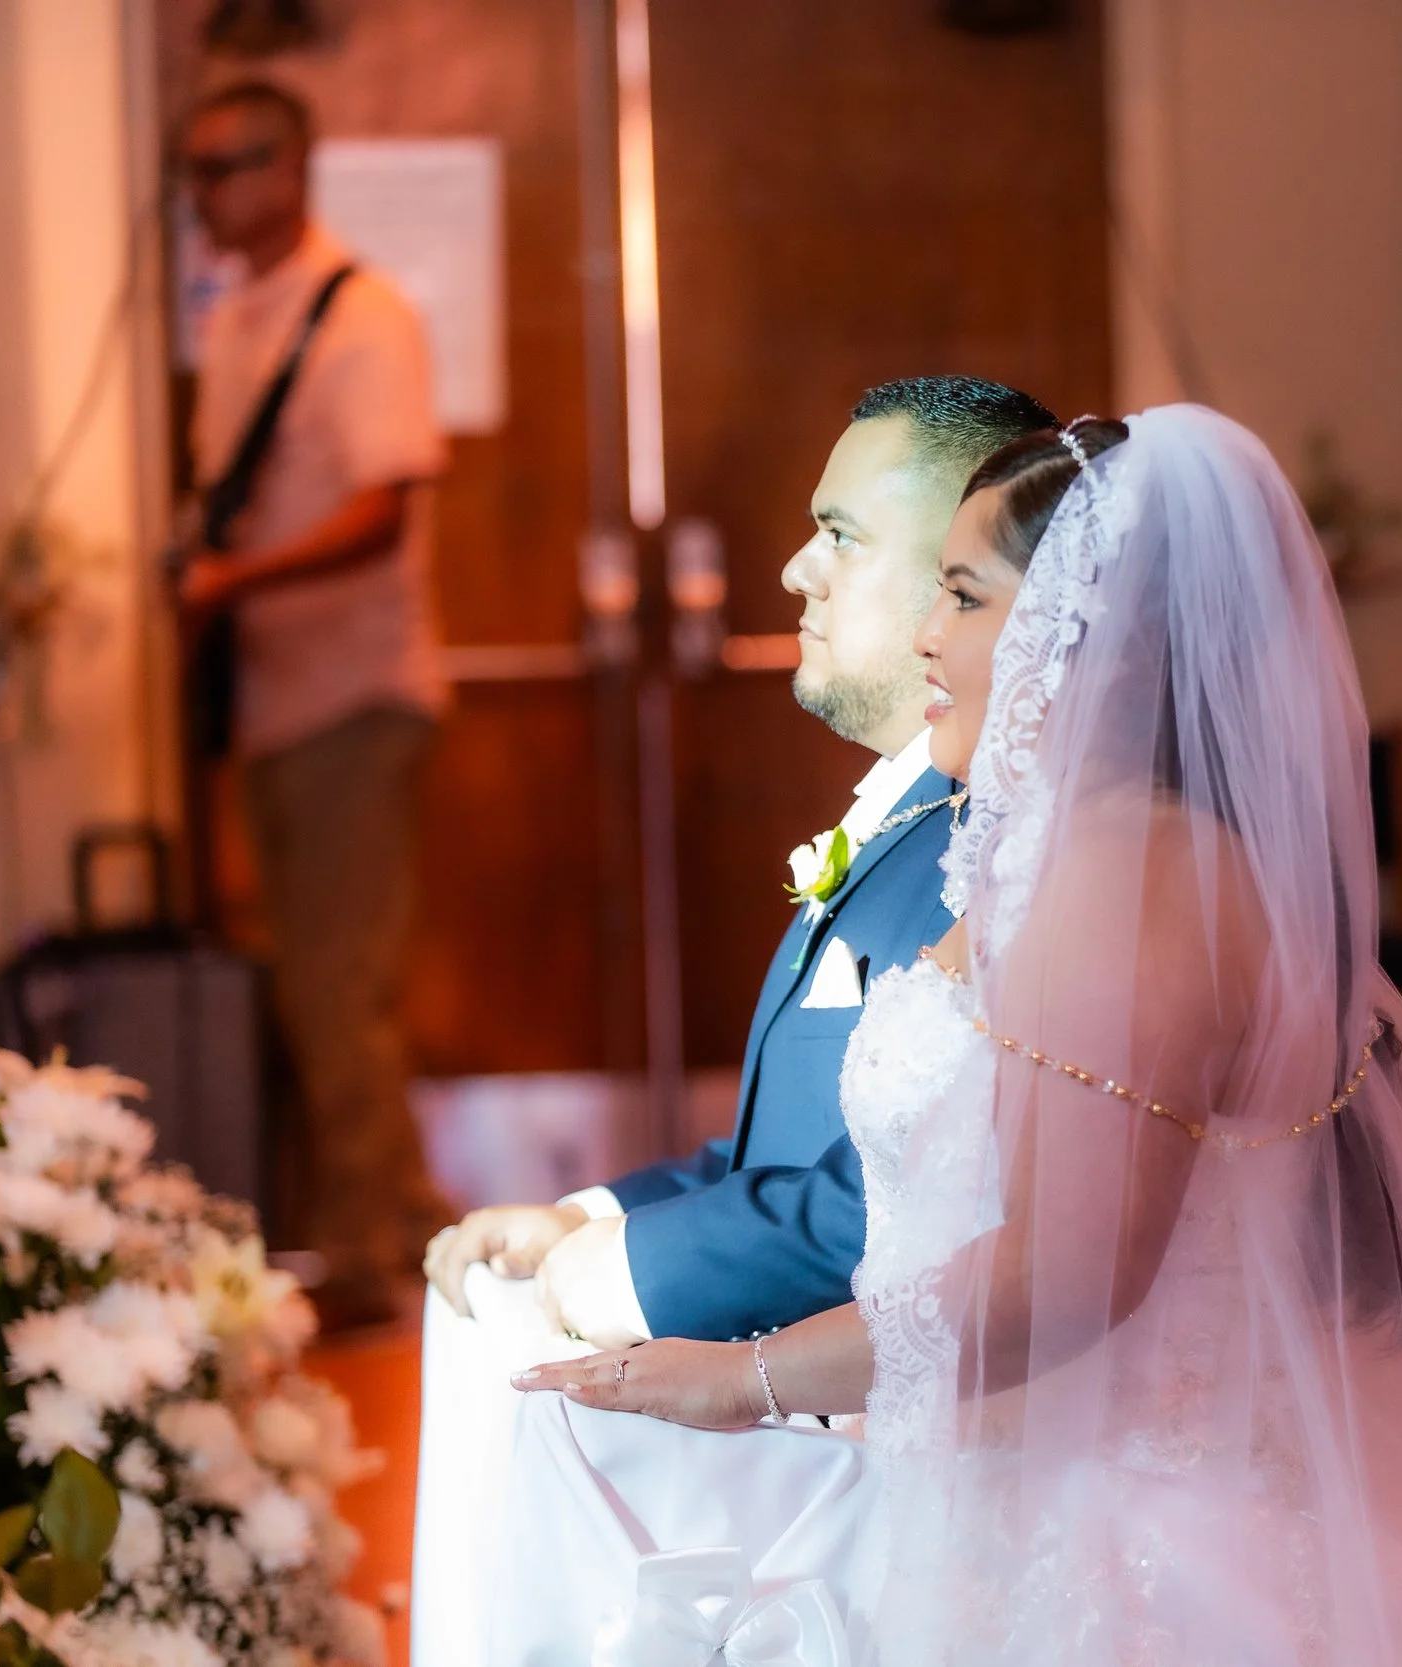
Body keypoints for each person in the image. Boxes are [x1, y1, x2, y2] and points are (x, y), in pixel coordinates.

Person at [507, 408, 1402, 1667]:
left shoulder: (1136, 878)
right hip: (995, 1487)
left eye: (965, 596)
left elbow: (1061, 1274)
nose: (927, 633)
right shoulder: (1075, 851)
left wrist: (744, 1377)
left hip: (1119, 1553)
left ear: (1093, 633)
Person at [408, 376, 1052, 1665]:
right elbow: (795, 1143)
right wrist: (588, 1216)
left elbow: (926, 1198)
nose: (794, 568)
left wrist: (622, 1279)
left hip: (929, 1465)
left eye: (839, 534)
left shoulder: (996, 854)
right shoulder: (908, 821)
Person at [176, 80, 451, 1329]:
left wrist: (231, 581)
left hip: (353, 694)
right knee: (314, 989)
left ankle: (370, 1257)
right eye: (194, 170)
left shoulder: (361, 315)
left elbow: (384, 505)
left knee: (342, 990)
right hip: (276, 702)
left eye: (225, 166)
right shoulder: (237, 312)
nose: (204, 193)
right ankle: (405, 1229)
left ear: (290, 169)